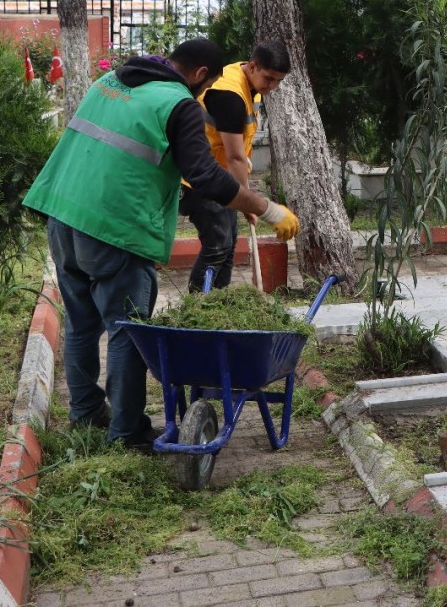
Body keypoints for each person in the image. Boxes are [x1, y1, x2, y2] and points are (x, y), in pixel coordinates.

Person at [23, 38, 300, 451]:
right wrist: (268, 208)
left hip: (61, 214)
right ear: (201, 74)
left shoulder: (110, 81)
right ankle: (126, 431)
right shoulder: (179, 103)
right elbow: (205, 175)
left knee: (82, 324)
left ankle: (84, 414)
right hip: (114, 227)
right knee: (126, 330)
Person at [181, 41, 291, 292]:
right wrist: (247, 201)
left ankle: (220, 304)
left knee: (228, 245)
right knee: (218, 244)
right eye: (269, 78)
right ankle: (198, 308)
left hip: (222, 178)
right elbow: (235, 157)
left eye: (278, 81)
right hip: (199, 179)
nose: (272, 87)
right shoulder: (229, 95)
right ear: (252, 66)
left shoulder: (247, 81)